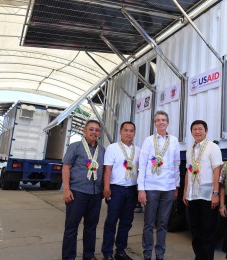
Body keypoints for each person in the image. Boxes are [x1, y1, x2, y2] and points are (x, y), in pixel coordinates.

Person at [137, 111, 180, 260]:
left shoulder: (174, 141)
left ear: (167, 123)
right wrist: (141, 189)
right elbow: (142, 165)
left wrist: (176, 186)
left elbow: (176, 164)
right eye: (158, 120)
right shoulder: (148, 140)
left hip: (168, 188)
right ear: (155, 124)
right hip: (151, 187)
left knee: (163, 224)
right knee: (149, 223)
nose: (161, 122)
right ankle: (147, 255)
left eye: (163, 120)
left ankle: (160, 255)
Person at [62, 119, 105, 260]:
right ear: (84, 131)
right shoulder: (75, 146)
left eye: (97, 130)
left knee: (91, 227)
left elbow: (105, 170)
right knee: (71, 227)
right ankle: (68, 257)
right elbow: (66, 167)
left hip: (95, 194)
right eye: (91, 129)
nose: (94, 132)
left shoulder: (102, 150)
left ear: (99, 133)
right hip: (77, 192)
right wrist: (66, 189)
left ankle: (89, 255)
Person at [183, 120, 224, 260]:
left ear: (206, 131)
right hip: (192, 195)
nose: (197, 131)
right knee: (195, 230)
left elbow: (217, 170)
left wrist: (215, 193)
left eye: (200, 129)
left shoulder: (212, 147)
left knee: (208, 230)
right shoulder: (190, 150)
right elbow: (189, 171)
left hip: (207, 195)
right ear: (191, 132)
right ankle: (199, 257)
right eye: (194, 129)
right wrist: (185, 192)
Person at [101, 122, 140, 260]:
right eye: (125, 130)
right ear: (120, 132)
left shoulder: (138, 150)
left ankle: (121, 251)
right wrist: (106, 187)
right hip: (116, 189)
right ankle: (107, 252)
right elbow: (108, 169)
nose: (128, 133)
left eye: (131, 131)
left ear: (134, 133)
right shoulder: (113, 148)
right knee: (111, 221)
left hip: (131, 190)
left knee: (126, 222)